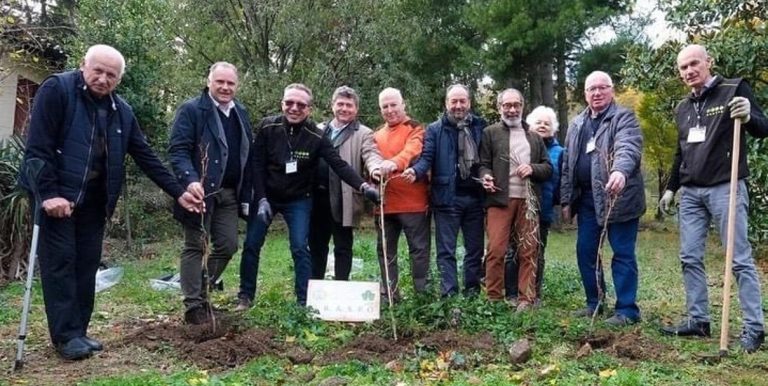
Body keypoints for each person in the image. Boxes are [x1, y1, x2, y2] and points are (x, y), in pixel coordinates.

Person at [21, 44, 201, 360]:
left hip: (95, 202)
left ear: (118, 80)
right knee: (61, 264)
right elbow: (38, 149)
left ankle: (78, 331)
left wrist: (179, 190)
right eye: (98, 71)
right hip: (59, 198)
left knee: (87, 264)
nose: (103, 79)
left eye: (111, 75)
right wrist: (48, 194)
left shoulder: (122, 112)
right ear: (83, 66)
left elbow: (146, 156)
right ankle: (65, 337)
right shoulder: (57, 90)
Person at [659, 44, 767, 352]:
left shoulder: (734, 88)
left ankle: (754, 328)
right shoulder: (682, 107)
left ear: (709, 61)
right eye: (683, 68)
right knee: (689, 257)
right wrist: (670, 187)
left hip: (725, 186)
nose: (689, 71)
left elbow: (763, 128)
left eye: (694, 63)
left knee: (739, 258)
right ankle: (699, 320)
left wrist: (748, 117)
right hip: (691, 192)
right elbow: (681, 152)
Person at [238, 83, 379, 308]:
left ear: (309, 109)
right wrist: (261, 198)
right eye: (289, 103)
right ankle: (245, 296)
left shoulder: (316, 135)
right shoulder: (267, 127)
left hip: (298, 199)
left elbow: (339, 164)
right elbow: (256, 163)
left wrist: (363, 187)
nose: (294, 108)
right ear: (282, 103)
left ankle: (305, 300)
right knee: (252, 243)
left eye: (301, 105)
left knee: (299, 246)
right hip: (267, 196)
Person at [168, 62, 253, 324]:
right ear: (209, 82)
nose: (225, 87)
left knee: (228, 245)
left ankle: (203, 291)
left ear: (237, 86)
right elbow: (178, 150)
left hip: (229, 193)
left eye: (230, 83)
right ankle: (194, 306)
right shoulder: (192, 110)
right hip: (199, 193)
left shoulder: (240, 112)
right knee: (195, 245)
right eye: (220, 82)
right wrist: (191, 180)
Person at [560, 71, 645, 326]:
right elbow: (568, 164)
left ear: (612, 90)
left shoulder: (624, 117)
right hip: (586, 200)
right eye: (591, 89)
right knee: (586, 251)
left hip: (619, 199)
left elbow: (628, 146)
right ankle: (594, 302)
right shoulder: (576, 125)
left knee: (622, 253)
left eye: (602, 88)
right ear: (585, 94)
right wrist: (566, 200)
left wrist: (620, 170)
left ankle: (627, 310)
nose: (596, 93)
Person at [402, 84, 486, 297]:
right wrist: (415, 171)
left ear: (469, 103)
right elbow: (427, 157)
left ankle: (472, 293)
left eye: (462, 101)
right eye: (454, 101)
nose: (458, 105)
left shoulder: (480, 126)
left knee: (474, 250)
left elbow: (487, 159)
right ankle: (449, 294)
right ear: (446, 103)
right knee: (446, 251)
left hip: (476, 198)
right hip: (446, 199)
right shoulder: (435, 129)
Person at [478, 88, 552, 310]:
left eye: (516, 105)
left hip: (528, 202)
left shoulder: (535, 137)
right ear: (499, 107)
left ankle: (525, 299)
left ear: (522, 107)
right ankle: (493, 298)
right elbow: (483, 164)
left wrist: (532, 168)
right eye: (507, 105)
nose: (512, 109)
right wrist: (486, 177)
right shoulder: (490, 133)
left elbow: (548, 168)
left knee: (528, 251)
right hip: (499, 200)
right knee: (496, 250)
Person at [309, 86, 382, 281]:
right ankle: (315, 288)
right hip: (316, 197)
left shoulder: (364, 133)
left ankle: (341, 286)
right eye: (340, 104)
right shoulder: (317, 129)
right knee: (316, 245)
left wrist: (376, 168)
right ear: (332, 106)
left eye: (349, 105)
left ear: (356, 109)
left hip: (344, 197)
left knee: (343, 246)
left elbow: (371, 154)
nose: (344, 109)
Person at [373, 87, 431, 301]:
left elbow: (413, 149)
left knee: (419, 250)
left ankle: (422, 296)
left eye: (393, 104)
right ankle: (390, 296)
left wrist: (393, 163)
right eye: (385, 106)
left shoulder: (415, 128)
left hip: (414, 205)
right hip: (384, 204)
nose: (390, 110)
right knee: (386, 252)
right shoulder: (376, 135)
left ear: (403, 105)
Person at [505, 105, 564, 304]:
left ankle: (533, 294)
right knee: (514, 250)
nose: (542, 126)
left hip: (543, 209)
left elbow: (562, 182)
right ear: (530, 124)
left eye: (547, 123)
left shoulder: (559, 152)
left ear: (553, 128)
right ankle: (512, 293)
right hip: (517, 205)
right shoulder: (521, 145)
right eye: (538, 122)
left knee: (537, 252)